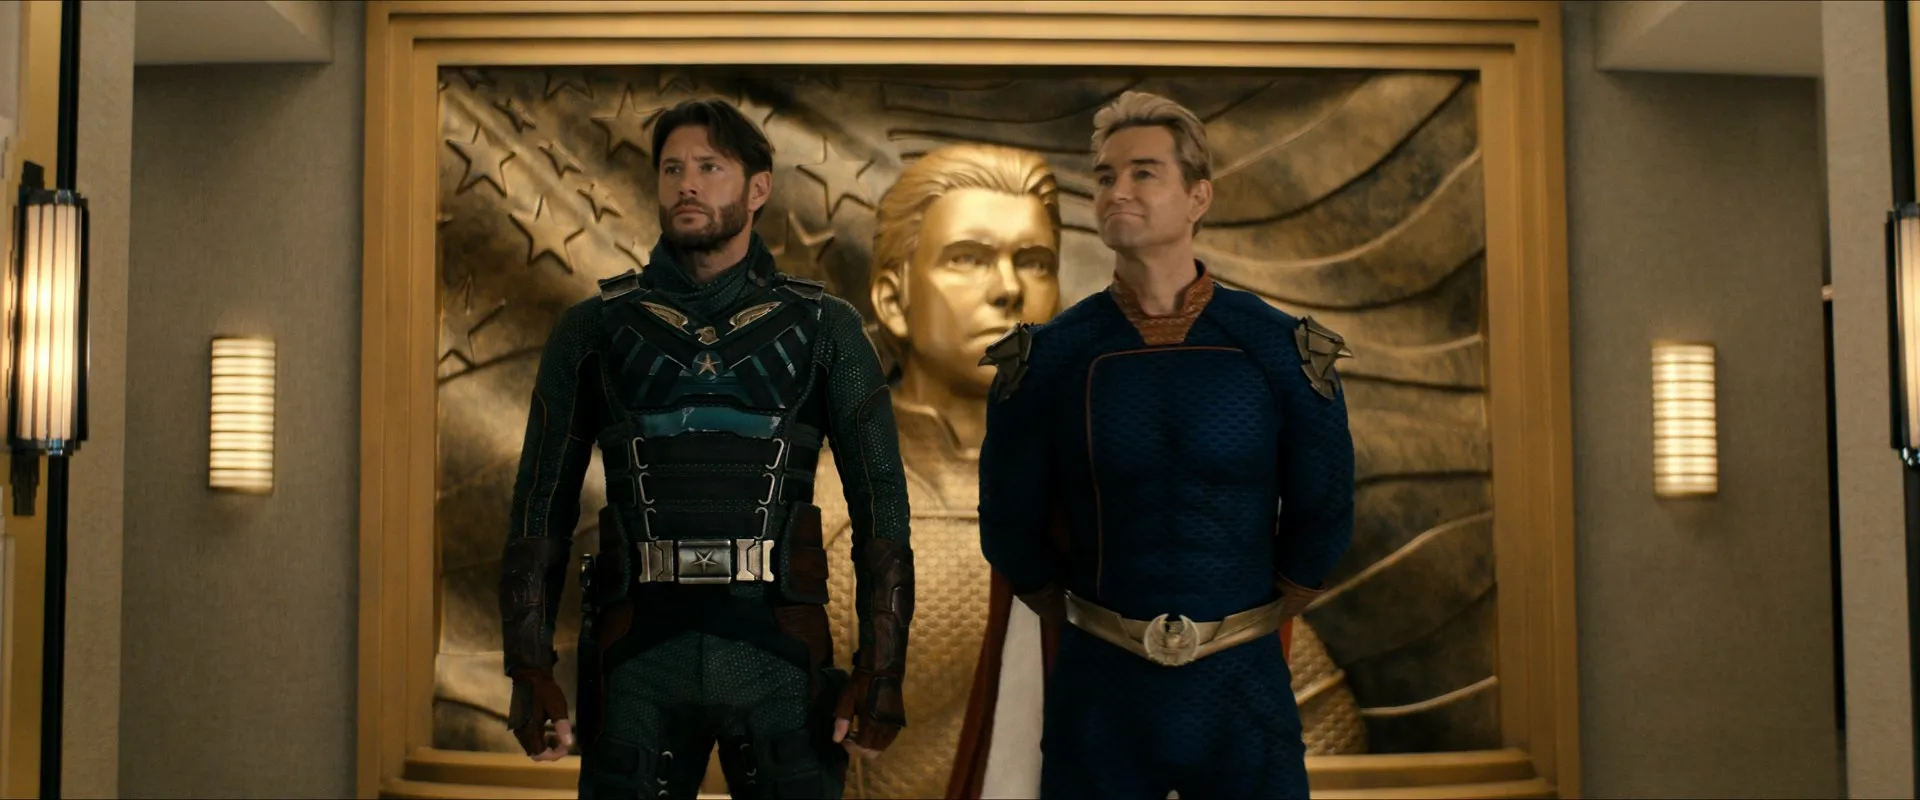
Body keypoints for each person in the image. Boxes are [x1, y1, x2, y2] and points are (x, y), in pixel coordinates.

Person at [497, 97, 915, 800]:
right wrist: (528, 667)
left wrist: (883, 668)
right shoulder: (592, 330)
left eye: (709, 167)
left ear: (758, 188)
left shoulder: (827, 329)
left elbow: (883, 509)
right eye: (672, 169)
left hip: (778, 650)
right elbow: (540, 506)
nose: (687, 184)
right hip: (637, 653)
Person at [977, 90, 1356, 799]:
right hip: (1101, 692)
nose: (1117, 190)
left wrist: (1246, 618)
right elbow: (1009, 522)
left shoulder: (1280, 350)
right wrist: (1088, 620)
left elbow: (1324, 511)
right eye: (1105, 176)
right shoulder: (1049, 360)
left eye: (1143, 172)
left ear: (1197, 196)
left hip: (1243, 692)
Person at [816, 143, 1061, 799]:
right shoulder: (817, 509)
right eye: (968, 259)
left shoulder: (1116, 503)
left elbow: (1297, 720)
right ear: (894, 300)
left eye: (1035, 262)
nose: (1009, 289)